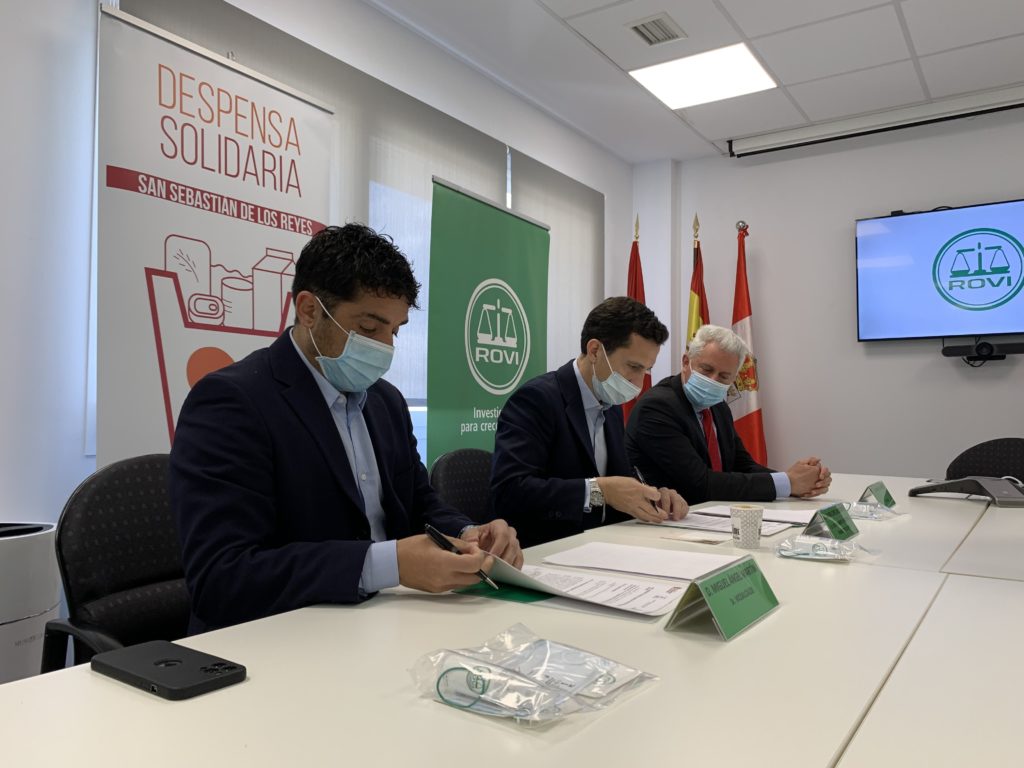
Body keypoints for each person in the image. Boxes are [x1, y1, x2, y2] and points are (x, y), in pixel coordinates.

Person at [171, 224, 523, 633]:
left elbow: (417, 500)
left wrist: (469, 532)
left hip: (385, 623)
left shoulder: (386, 401)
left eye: (395, 330)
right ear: (309, 310)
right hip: (280, 638)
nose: (385, 348)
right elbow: (221, 576)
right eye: (369, 328)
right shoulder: (232, 402)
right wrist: (388, 565)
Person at [490, 297, 687, 548]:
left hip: (604, 546)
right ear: (595, 350)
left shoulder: (611, 405)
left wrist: (653, 496)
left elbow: (619, 484)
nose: (639, 383)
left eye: (646, 370)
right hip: (548, 549)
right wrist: (598, 492)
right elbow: (510, 492)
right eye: (633, 367)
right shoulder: (537, 399)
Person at [626, 324, 831, 505]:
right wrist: (788, 483)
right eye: (706, 369)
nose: (713, 381)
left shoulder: (718, 406)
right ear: (686, 361)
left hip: (707, 517)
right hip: (663, 522)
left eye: (724, 376)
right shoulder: (657, 407)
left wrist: (799, 481)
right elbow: (701, 484)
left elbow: (742, 465)